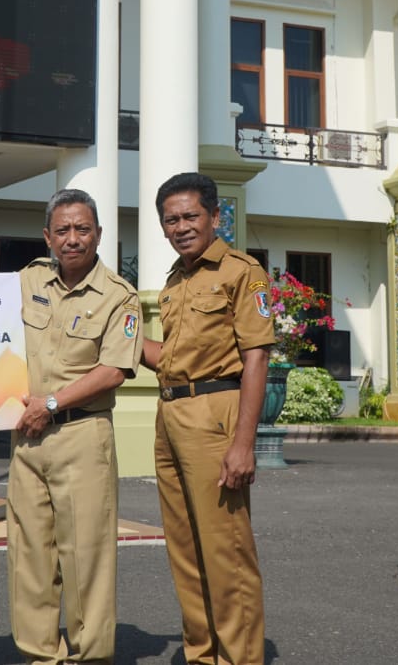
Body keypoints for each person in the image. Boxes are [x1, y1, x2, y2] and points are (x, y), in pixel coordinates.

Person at [139, 172, 272, 665]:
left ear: (215, 217)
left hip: (216, 413)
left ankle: (239, 659)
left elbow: (256, 358)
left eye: (191, 216)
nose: (181, 227)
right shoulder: (177, 279)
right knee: (186, 552)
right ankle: (202, 656)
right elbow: (167, 357)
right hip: (170, 413)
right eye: (170, 220)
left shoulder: (242, 272)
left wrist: (243, 444)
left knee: (226, 554)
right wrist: (112, 329)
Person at [7, 188, 142, 665]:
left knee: (86, 562)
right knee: (30, 562)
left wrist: (51, 402)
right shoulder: (28, 281)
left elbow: (114, 370)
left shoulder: (119, 297)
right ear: (47, 236)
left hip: (82, 436)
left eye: (82, 229)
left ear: (99, 235)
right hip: (27, 439)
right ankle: (40, 657)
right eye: (62, 230)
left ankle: (91, 658)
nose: (72, 239)